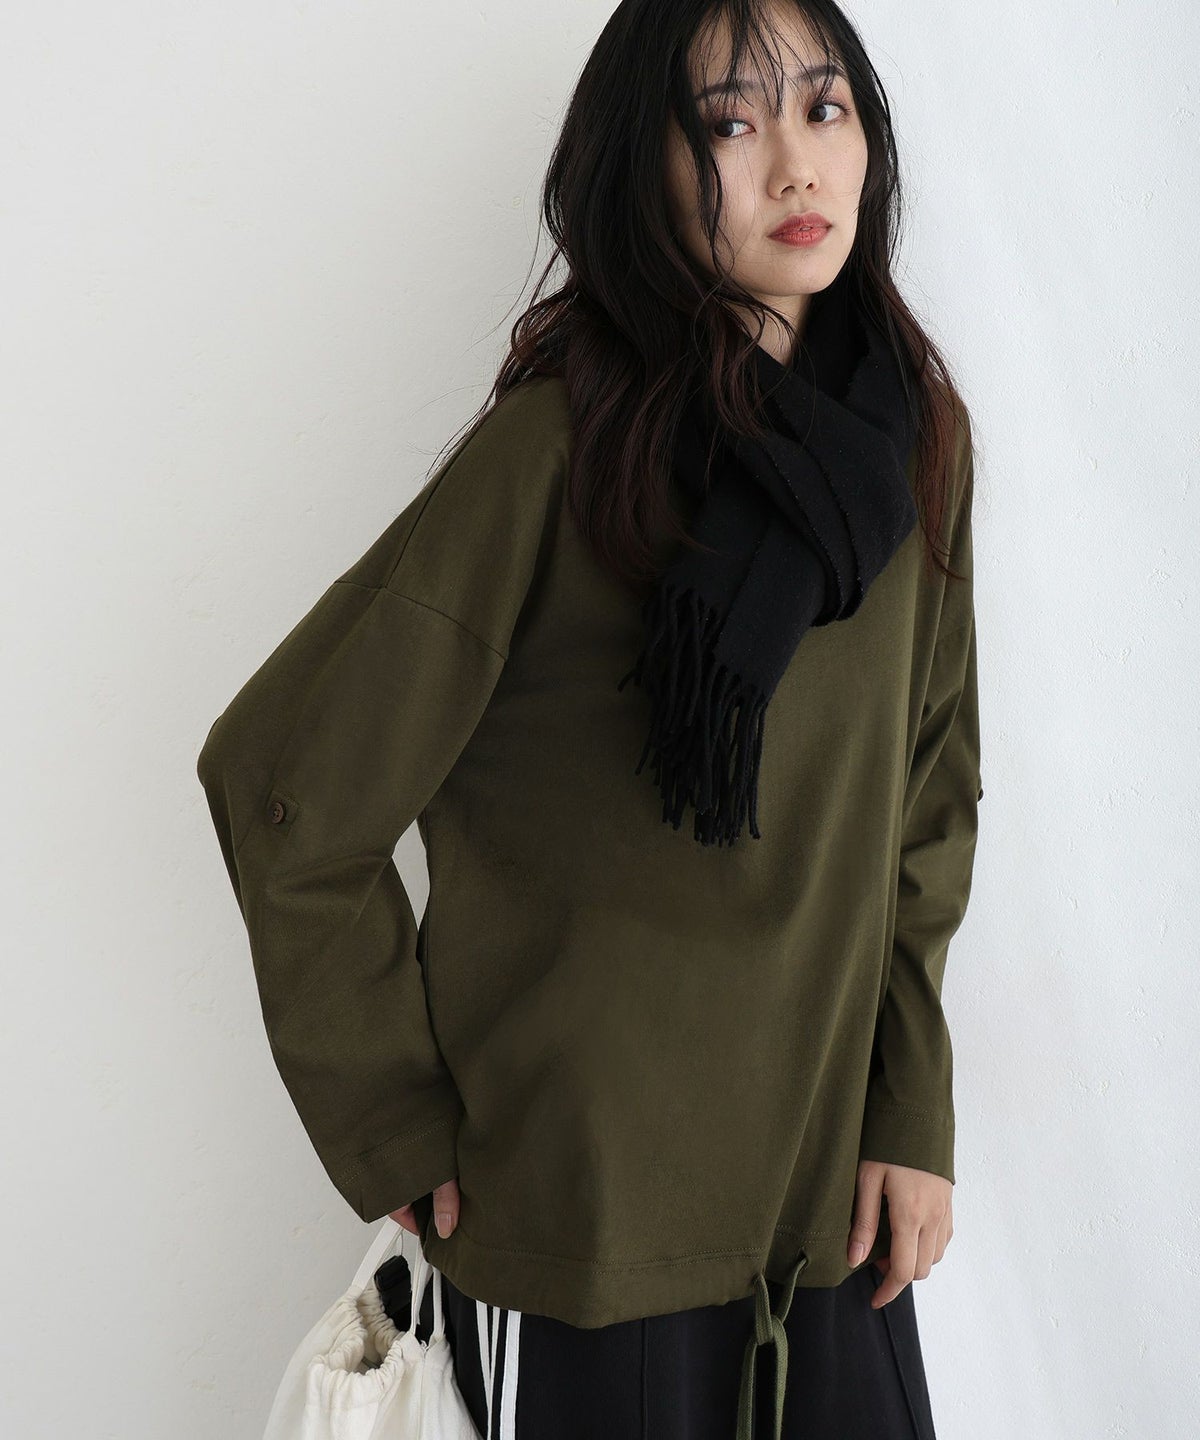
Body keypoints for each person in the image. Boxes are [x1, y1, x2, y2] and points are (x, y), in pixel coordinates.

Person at [195, 0, 983, 1435]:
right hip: (586, 1235)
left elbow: (928, 797)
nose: (796, 165)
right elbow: (284, 779)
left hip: (829, 1223)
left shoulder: (913, 443)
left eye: (825, 107)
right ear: (642, 166)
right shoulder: (562, 451)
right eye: (730, 123)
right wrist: (388, 1115)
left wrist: (911, 1110)